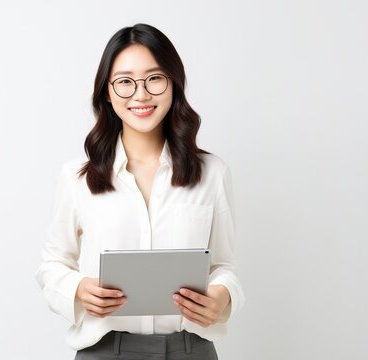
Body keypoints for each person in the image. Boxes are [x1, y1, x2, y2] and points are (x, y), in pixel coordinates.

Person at [35, 23, 245, 360]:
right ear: (107, 91)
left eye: (155, 78)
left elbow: (223, 265)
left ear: (174, 84)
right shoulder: (77, 177)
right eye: (125, 81)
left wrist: (223, 296)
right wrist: (77, 290)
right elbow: (52, 265)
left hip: (190, 350)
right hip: (104, 350)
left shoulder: (213, 174)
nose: (141, 94)